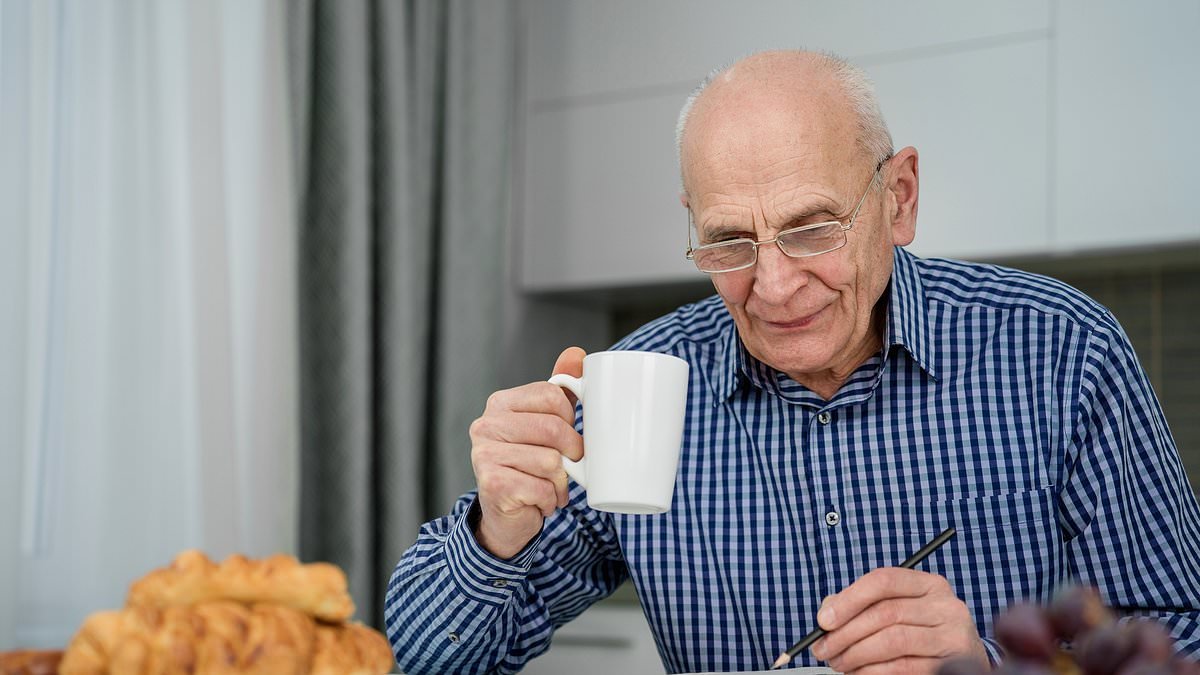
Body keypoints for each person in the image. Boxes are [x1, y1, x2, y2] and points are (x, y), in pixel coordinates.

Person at [384, 50, 1200, 674]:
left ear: (900, 198)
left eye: (813, 228)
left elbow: (1181, 635)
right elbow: (420, 659)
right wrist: (497, 534)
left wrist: (987, 663)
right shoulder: (645, 385)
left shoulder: (1062, 350)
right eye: (730, 241)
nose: (773, 286)